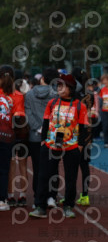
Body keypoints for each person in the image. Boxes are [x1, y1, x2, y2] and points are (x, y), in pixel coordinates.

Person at [29, 73, 88, 219]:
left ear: (71, 88)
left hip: (71, 147)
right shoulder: (52, 103)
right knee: (44, 176)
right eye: (58, 85)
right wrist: (43, 141)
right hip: (50, 145)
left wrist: (80, 146)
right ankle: (40, 206)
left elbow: (83, 128)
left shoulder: (80, 106)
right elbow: (46, 122)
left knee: (70, 178)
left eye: (63, 86)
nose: (59, 88)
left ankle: (68, 206)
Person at [24, 67, 58, 207]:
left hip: (35, 136)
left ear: (42, 78)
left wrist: (38, 128)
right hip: (53, 135)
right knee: (53, 167)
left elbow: (28, 114)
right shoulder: (57, 94)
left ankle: (38, 197)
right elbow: (57, 114)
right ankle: (51, 197)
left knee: (38, 168)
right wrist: (48, 129)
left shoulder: (29, 94)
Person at [0, 66, 26, 211]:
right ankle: (2, 200)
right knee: (4, 169)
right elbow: (19, 118)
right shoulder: (18, 95)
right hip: (8, 136)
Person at [76, 78, 99, 207]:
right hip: (88, 131)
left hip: (75, 131)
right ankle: (85, 195)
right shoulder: (90, 94)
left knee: (71, 166)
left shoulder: (73, 94)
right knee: (84, 165)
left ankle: (70, 195)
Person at [8, 77, 29, 208]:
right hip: (22, 130)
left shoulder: (5, 95)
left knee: (10, 165)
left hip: (9, 131)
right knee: (23, 165)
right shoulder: (22, 96)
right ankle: (23, 195)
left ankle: (10, 196)